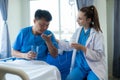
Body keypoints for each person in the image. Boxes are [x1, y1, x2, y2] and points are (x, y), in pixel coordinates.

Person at [58, 5, 107, 80]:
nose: (77, 20)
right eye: (77, 18)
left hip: (94, 67)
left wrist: (83, 48)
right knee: (69, 78)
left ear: (88, 20)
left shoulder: (97, 34)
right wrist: (56, 41)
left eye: (80, 19)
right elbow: (70, 45)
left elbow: (99, 55)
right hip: (81, 67)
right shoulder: (78, 31)